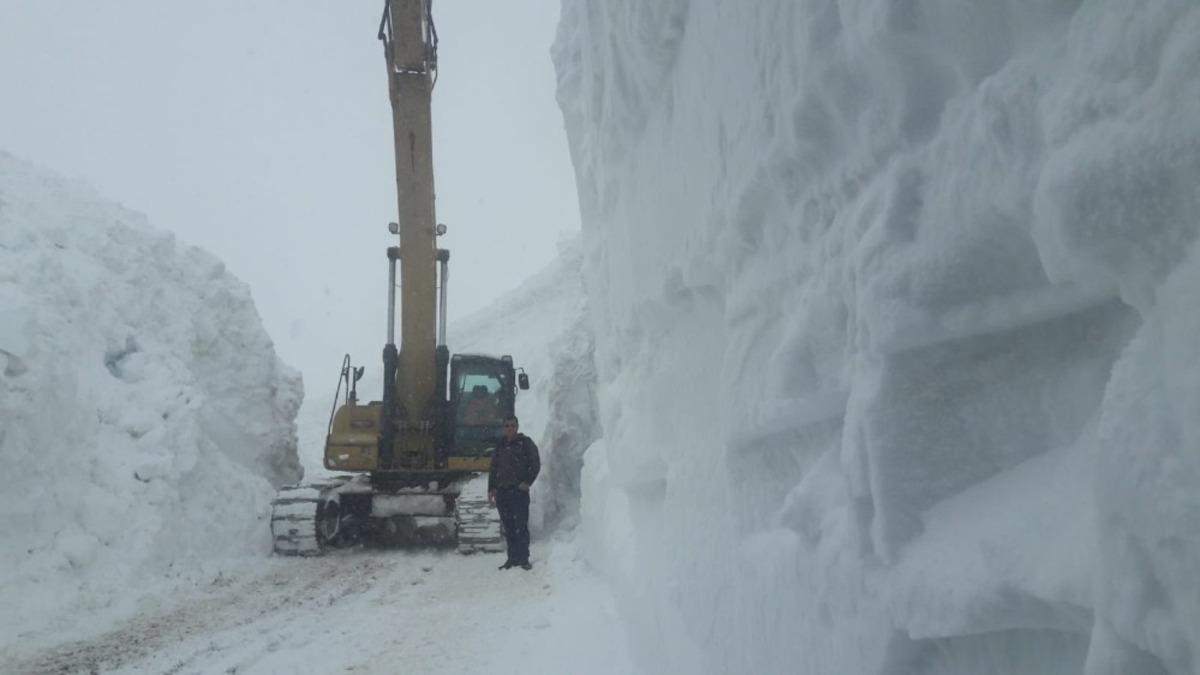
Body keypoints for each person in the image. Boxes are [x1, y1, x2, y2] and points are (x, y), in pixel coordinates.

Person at [488, 415, 540, 570]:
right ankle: (512, 558)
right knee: (509, 527)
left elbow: (535, 464)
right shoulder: (500, 445)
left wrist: (527, 482)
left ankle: (524, 559)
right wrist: (491, 488)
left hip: (518, 492)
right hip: (503, 493)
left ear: (517, 427)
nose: (509, 428)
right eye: (507, 426)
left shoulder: (525, 443)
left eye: (512, 425)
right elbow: (493, 468)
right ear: (504, 428)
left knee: (521, 526)